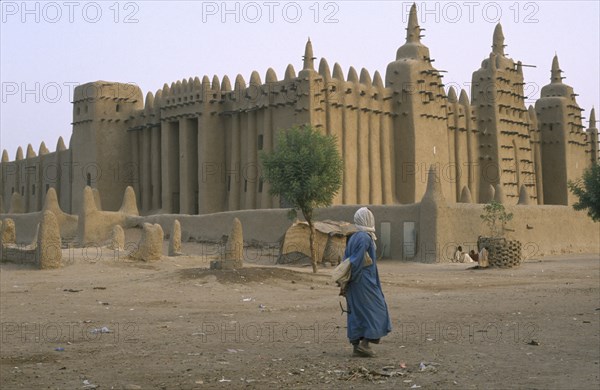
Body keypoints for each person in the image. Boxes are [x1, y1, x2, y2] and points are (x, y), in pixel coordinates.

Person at [343, 207, 392, 357]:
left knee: (357, 312)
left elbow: (346, 259)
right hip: (363, 281)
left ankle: (357, 347)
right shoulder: (364, 237)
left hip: (354, 281)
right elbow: (356, 261)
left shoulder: (354, 237)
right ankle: (365, 345)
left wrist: (346, 281)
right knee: (377, 310)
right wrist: (355, 278)